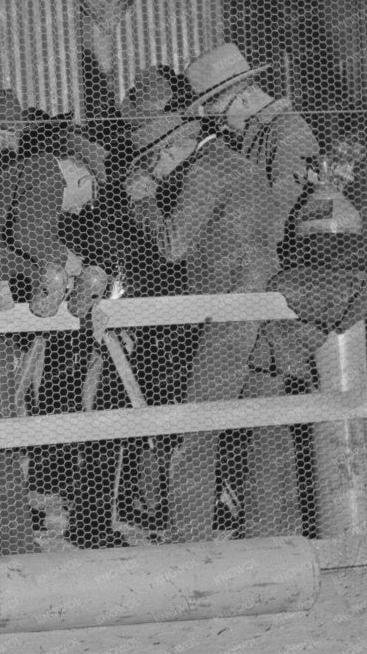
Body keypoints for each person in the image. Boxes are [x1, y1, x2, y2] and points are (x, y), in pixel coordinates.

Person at [123, 108, 291, 543]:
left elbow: (173, 246)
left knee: (197, 421)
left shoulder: (202, 173)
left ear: (172, 147)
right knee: (266, 422)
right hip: (268, 302)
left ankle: (189, 536)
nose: (152, 172)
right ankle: (270, 532)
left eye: (151, 161)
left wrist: (143, 201)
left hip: (233, 309)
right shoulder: (241, 164)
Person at [0, 120, 110, 552]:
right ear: (79, 176)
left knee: (5, 413)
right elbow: (29, 233)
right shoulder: (46, 174)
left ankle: (13, 531)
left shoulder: (33, 173)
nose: (80, 211)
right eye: (87, 199)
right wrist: (69, 262)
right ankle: (10, 537)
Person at [184, 42, 318, 242]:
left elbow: (283, 216)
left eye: (221, 117)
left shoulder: (287, 132)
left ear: (244, 99)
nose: (220, 127)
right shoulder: (251, 134)